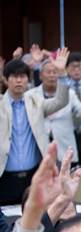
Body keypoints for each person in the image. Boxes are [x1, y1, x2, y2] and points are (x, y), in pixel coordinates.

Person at [0, 49, 70, 205]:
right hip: (4, 178)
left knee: (36, 220)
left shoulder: (36, 102)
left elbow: (61, 101)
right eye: (14, 76)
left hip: (34, 176)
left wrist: (62, 73)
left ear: (28, 79)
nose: (19, 80)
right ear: (5, 79)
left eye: (22, 76)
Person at [29, 59, 81, 166]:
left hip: (64, 145)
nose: (52, 75)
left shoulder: (69, 93)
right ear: (40, 75)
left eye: (55, 72)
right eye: (48, 72)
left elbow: (80, 108)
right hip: (41, 148)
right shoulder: (31, 95)